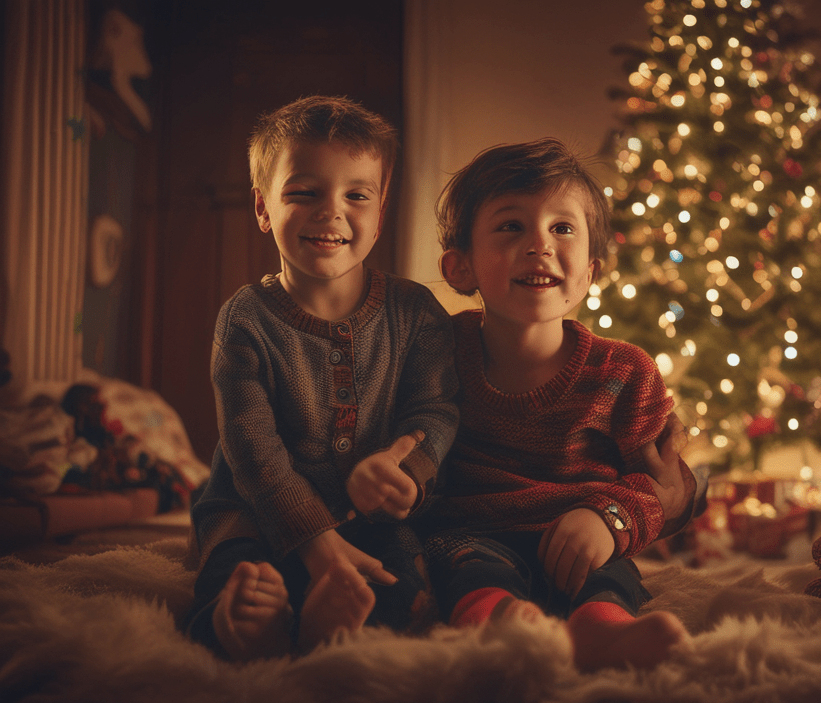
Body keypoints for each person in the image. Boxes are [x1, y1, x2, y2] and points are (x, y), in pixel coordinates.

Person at [182, 95, 459, 661]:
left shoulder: (416, 312)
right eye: (304, 192)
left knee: (403, 590)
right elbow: (253, 453)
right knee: (236, 575)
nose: (331, 212)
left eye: (356, 195)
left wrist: (404, 467)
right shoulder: (245, 320)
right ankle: (245, 628)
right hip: (254, 508)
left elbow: (435, 409)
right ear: (263, 207)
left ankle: (320, 629)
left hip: (370, 517)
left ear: (380, 213)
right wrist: (317, 547)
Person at [423, 138, 699, 672]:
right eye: (511, 226)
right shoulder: (435, 354)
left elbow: (658, 485)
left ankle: (603, 634)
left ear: (590, 272)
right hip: (472, 536)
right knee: (463, 566)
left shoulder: (624, 371)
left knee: (610, 579)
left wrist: (608, 519)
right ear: (460, 268)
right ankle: (502, 627)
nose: (540, 245)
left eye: (563, 228)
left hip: (585, 540)